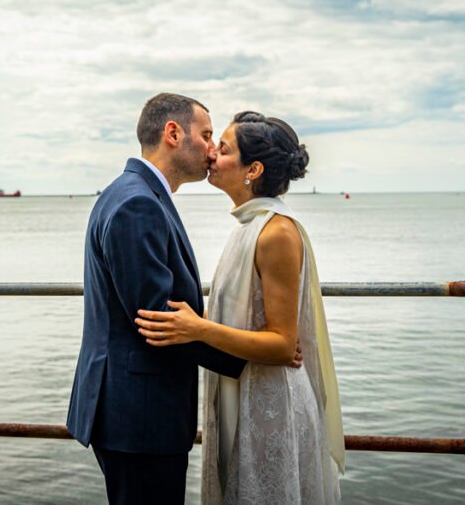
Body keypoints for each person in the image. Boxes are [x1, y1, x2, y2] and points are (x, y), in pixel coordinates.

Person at [136, 111, 345, 504]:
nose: (212, 153)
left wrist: (197, 329)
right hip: (247, 391)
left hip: (271, 405)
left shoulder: (276, 231)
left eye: (224, 148)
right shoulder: (248, 226)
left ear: (253, 169)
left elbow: (284, 347)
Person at [66, 93, 247, 505]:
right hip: (139, 415)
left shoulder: (135, 193)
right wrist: (253, 353)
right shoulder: (138, 204)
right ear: (172, 133)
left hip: (130, 409)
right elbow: (158, 321)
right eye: (205, 135)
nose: (212, 148)